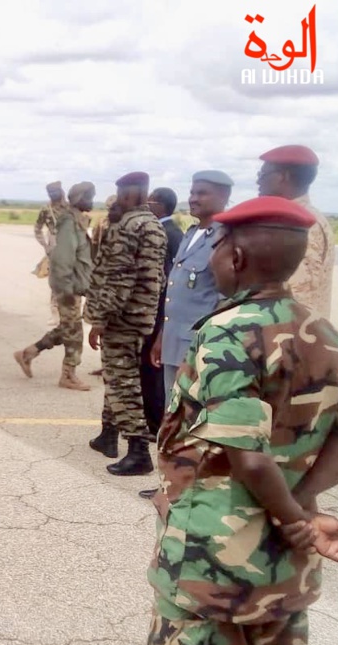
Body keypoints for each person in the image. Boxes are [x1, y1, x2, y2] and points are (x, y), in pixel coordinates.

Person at [146, 196, 338, 645]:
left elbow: (251, 458)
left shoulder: (229, 331)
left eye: (216, 248)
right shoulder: (325, 332)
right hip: (284, 573)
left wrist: (293, 519)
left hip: (214, 563)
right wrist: (300, 505)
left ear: (235, 257)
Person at [84, 172, 166, 476]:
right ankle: (108, 435)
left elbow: (119, 278)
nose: (118, 198)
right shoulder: (154, 225)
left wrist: (99, 319)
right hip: (141, 315)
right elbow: (156, 276)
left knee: (123, 383)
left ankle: (138, 450)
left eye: (121, 193)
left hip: (122, 318)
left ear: (132, 194)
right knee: (118, 376)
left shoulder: (129, 225)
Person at [149, 171, 233, 405]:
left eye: (202, 193)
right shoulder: (191, 234)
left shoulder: (226, 238)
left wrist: (206, 348)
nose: (194, 198)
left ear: (224, 195)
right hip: (174, 341)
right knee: (171, 410)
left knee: (191, 415)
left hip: (199, 348)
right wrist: (162, 337)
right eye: (192, 192)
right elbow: (177, 294)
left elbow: (224, 300)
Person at [14, 182, 95, 390]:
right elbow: (62, 259)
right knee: (74, 333)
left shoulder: (76, 220)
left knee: (67, 328)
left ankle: (28, 353)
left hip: (74, 285)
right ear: (80, 198)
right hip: (68, 287)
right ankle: (68, 375)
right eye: (90, 196)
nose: (92, 201)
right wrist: (67, 288)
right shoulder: (69, 222)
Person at [257, 144, 334, 318]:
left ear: (283, 177)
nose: (258, 181)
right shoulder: (305, 217)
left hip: (292, 332)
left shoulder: (298, 222)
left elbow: (299, 292)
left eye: (263, 174)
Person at [140, 187, 183, 435]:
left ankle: (155, 423)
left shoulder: (169, 233)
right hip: (159, 311)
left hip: (160, 312)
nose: (147, 205)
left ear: (161, 206)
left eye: (151, 201)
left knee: (152, 369)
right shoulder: (168, 231)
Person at [35, 181, 69, 326]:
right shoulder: (46, 209)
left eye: (56, 192)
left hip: (70, 247)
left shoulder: (69, 208)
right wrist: (45, 246)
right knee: (55, 282)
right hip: (54, 248)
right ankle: (55, 313)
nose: (54, 195)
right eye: (51, 192)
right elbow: (37, 228)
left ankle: (67, 312)